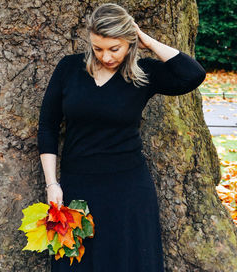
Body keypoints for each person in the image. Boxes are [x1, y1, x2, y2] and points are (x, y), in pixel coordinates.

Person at [37, 2, 206, 272]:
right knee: (78, 263)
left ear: (129, 43)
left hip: (128, 189)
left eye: (114, 48)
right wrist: (51, 184)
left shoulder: (144, 74)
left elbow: (193, 74)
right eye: (98, 48)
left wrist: (146, 40)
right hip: (78, 187)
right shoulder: (69, 69)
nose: (106, 57)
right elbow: (47, 127)